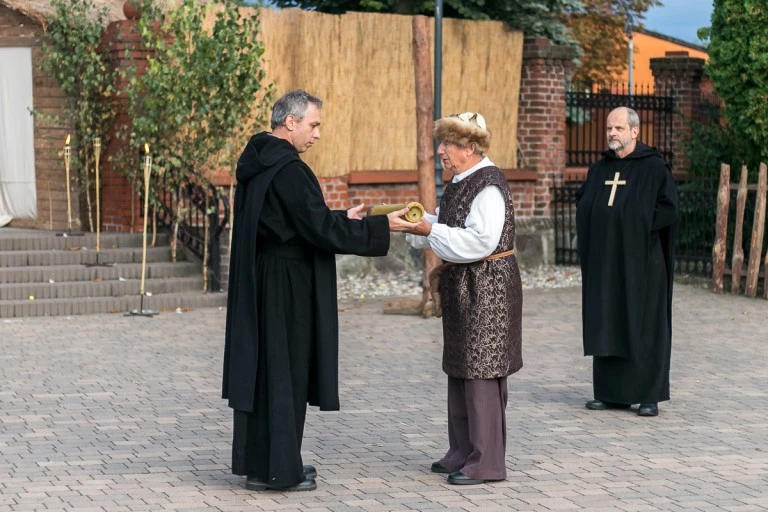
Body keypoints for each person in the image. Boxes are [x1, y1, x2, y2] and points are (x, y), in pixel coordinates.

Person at [222, 90, 408, 492]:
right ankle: (279, 471)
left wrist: (344, 217)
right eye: (313, 124)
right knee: (284, 371)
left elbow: (297, 222)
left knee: (269, 371)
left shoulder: (259, 162)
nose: (317, 133)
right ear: (290, 122)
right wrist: (380, 226)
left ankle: (269, 463)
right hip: (286, 285)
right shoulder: (288, 169)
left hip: (267, 278)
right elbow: (317, 230)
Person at [391, 112, 523, 485]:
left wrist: (429, 229)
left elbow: (481, 241)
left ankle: (487, 461)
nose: (441, 151)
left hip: (488, 289)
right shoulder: (464, 180)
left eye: (447, 144)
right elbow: (451, 227)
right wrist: (416, 226)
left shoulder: (489, 186)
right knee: (461, 366)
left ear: (469, 147)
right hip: (467, 287)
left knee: (481, 369)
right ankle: (462, 451)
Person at [576, 106, 678, 417]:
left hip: (643, 263)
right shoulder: (600, 170)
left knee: (645, 324)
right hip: (607, 263)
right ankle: (612, 394)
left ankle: (649, 395)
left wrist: (632, 224)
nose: (612, 134)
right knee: (609, 320)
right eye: (609, 128)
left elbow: (668, 209)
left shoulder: (654, 168)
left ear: (635, 131)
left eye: (618, 128)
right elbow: (584, 202)